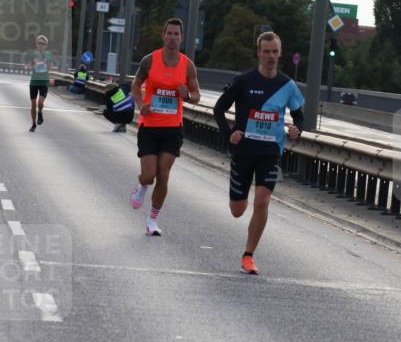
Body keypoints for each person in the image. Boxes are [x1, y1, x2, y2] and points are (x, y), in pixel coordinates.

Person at [213, 30, 304, 275]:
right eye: (266, 51)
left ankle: (248, 255)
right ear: (259, 53)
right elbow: (219, 108)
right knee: (237, 210)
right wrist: (228, 133)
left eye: (275, 51)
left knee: (262, 201)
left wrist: (297, 129)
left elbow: (299, 116)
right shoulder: (244, 81)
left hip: (270, 151)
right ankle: (240, 215)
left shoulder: (287, 85)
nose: (271, 56)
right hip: (243, 151)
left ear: (280, 53)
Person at [130, 17, 201, 236]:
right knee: (149, 174)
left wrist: (186, 95)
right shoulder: (150, 61)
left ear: (181, 38)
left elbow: (197, 95)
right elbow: (135, 85)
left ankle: (152, 220)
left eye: (176, 34)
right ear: (163, 35)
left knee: (164, 174)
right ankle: (141, 186)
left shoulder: (187, 65)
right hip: (150, 125)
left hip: (172, 127)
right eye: (169, 33)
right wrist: (141, 104)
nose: (172, 37)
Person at [26, 34, 53, 132]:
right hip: (34, 82)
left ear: (46, 45)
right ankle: (33, 124)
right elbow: (28, 65)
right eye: (39, 43)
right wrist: (30, 65)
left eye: (43, 43)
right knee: (33, 105)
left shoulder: (49, 55)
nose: (41, 45)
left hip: (44, 81)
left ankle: (40, 112)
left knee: (40, 102)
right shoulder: (32, 54)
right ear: (36, 44)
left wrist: (47, 67)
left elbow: (51, 67)